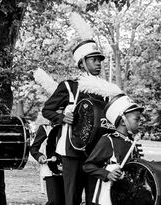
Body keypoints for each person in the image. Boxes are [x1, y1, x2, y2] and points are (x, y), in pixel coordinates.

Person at [41, 39, 123, 205]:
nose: (98, 63)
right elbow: (47, 110)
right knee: (72, 197)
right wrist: (62, 118)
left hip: (97, 152)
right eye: (94, 59)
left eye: (99, 60)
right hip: (71, 152)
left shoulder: (106, 90)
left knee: (95, 197)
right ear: (82, 63)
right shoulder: (69, 86)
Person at [83, 94, 145, 204]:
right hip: (108, 196)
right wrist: (107, 174)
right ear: (123, 121)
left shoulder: (132, 142)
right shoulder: (108, 140)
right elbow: (88, 166)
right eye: (137, 119)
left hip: (126, 195)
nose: (140, 123)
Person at [30, 123, 65, 205]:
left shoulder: (71, 127)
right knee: (54, 201)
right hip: (50, 170)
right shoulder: (45, 128)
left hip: (69, 169)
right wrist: (39, 156)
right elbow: (34, 148)